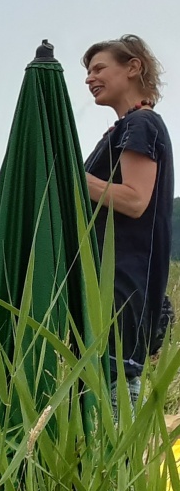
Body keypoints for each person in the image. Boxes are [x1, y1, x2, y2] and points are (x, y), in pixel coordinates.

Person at [83, 34, 174, 400]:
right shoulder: (126, 128)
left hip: (121, 283)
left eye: (99, 68)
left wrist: (71, 176)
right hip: (116, 282)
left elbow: (136, 200)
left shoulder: (141, 125)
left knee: (114, 394)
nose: (90, 78)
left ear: (133, 67)